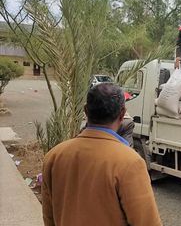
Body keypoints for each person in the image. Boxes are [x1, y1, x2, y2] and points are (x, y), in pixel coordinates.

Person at [41, 83, 162, 226]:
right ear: (122, 114)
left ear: (86, 111)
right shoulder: (130, 163)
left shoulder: (54, 156)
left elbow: (49, 218)